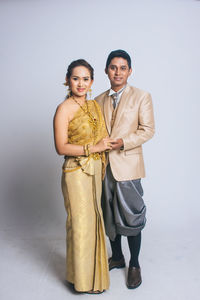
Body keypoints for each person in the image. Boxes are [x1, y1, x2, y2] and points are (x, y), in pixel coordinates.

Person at [95, 50, 155, 289]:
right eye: (113, 67)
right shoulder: (98, 100)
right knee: (109, 215)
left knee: (131, 216)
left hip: (128, 165)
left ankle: (135, 264)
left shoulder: (142, 96)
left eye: (122, 67)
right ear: (106, 70)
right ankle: (117, 257)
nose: (117, 72)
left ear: (130, 71)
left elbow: (148, 129)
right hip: (104, 168)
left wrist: (124, 142)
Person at [53, 59, 113, 293]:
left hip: (95, 170)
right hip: (76, 172)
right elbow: (61, 147)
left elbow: (103, 139)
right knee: (80, 225)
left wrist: (106, 147)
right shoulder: (64, 108)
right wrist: (93, 149)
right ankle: (80, 280)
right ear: (68, 80)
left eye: (85, 79)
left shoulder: (94, 106)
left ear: (92, 82)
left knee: (94, 222)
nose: (81, 83)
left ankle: (93, 278)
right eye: (76, 78)